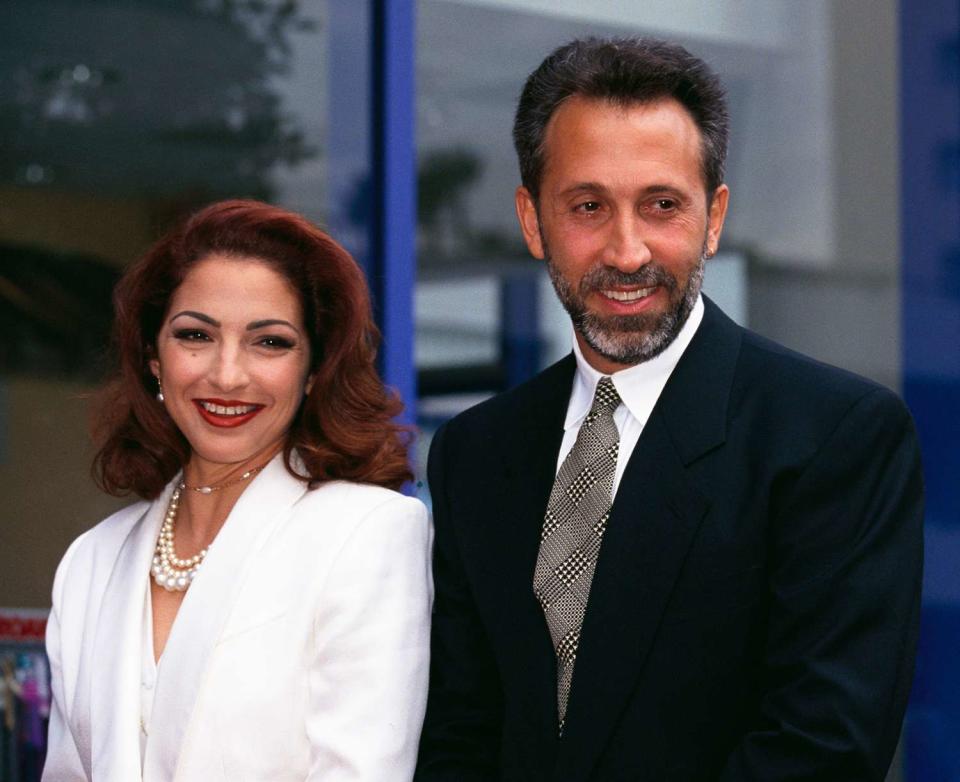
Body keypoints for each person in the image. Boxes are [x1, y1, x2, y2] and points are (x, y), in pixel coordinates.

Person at [415, 37, 923, 782]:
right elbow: (460, 734)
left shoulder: (834, 439)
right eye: (588, 206)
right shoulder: (476, 452)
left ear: (714, 218)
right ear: (532, 222)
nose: (627, 251)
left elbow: (822, 750)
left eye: (662, 206)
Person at [43, 200, 433, 781]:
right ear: (154, 358)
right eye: (196, 335)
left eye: (269, 342)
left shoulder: (366, 533)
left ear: (314, 368)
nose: (227, 375)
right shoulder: (91, 561)